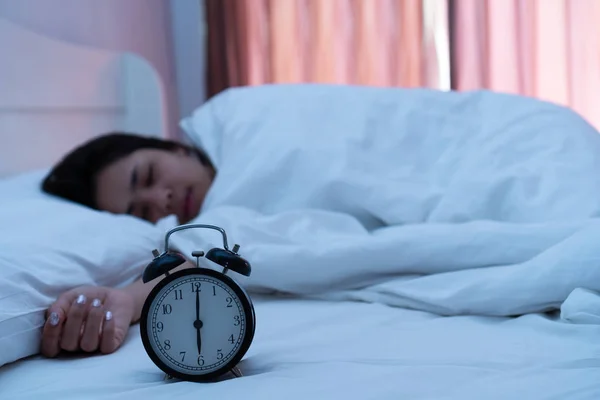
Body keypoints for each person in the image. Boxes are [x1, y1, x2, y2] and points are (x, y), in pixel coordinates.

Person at [40, 132, 216, 357]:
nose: (162, 200)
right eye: (142, 213)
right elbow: (190, 259)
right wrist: (128, 300)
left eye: (149, 176)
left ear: (174, 148)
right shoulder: (201, 231)